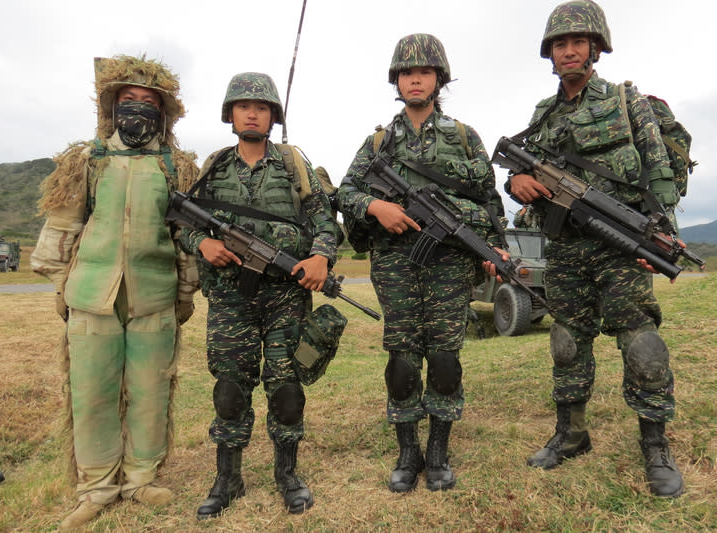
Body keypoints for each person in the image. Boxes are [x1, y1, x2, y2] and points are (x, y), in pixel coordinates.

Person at [506, 0, 684, 498]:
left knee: (641, 343)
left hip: (619, 245)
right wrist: (516, 181)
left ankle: (655, 444)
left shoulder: (627, 102)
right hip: (564, 247)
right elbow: (521, 170)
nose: (568, 51)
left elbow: (659, 170)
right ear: (550, 53)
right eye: (560, 44)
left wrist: (662, 232)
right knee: (566, 342)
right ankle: (571, 435)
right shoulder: (543, 115)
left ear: (596, 48)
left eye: (577, 42)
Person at [31, 55, 200, 529]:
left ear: (163, 112)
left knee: (150, 392)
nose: (139, 111)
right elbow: (63, 228)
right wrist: (63, 287)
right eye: (130, 101)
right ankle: (96, 487)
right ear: (111, 106)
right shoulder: (86, 161)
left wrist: (185, 293)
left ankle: (142, 478)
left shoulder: (176, 168)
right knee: (93, 394)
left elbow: (185, 239)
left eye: (149, 103)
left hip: (155, 297)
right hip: (91, 297)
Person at [337, 34, 507, 493]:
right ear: (397, 80)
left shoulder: (465, 137)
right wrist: (378, 209)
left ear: (439, 80)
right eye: (407, 73)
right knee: (403, 359)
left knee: (446, 357)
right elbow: (345, 192)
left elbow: (490, 203)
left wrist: (497, 248)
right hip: (395, 263)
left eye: (425, 72)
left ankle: (438, 451)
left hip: (450, 264)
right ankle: (408, 450)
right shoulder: (378, 141)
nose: (415, 79)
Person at [180, 72, 339, 518]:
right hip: (231, 297)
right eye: (243, 105)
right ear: (230, 114)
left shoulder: (294, 167)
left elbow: (326, 224)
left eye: (262, 106)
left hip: (286, 296)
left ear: (273, 116)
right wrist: (201, 244)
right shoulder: (214, 168)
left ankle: (287, 475)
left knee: (286, 388)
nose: (252, 112)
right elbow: (183, 222)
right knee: (230, 389)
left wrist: (321, 257)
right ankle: (227, 478)